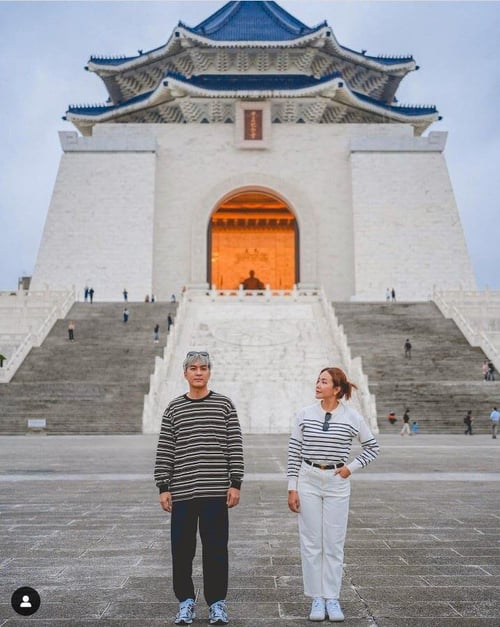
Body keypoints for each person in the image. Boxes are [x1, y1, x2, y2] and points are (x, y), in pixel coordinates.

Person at [154, 351, 244, 626]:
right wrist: (163, 486)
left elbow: (235, 446)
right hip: (182, 492)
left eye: (203, 368)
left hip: (215, 492)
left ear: (209, 372)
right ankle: (185, 601)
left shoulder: (224, 405)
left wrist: (235, 482)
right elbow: (166, 449)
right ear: (185, 373)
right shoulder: (174, 408)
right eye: (193, 368)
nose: (198, 372)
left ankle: (217, 603)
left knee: (216, 550)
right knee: (181, 550)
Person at [287, 366, 379, 622]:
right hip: (308, 480)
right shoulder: (303, 415)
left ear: (337, 389)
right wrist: (291, 487)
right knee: (311, 542)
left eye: (323, 381)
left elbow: (372, 448)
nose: (317, 384)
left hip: (337, 482)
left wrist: (350, 468)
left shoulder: (352, 417)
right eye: (317, 380)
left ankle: (332, 598)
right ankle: (316, 598)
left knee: (334, 542)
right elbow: (294, 453)